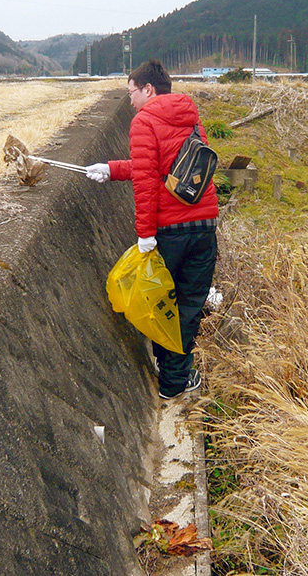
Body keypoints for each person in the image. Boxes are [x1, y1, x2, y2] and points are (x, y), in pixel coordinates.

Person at [86, 60, 219, 400]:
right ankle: (176, 371)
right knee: (189, 304)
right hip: (204, 226)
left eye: (131, 91)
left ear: (148, 89)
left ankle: (172, 382)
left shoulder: (144, 121)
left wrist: (145, 235)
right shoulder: (188, 116)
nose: (129, 100)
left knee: (163, 302)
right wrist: (112, 169)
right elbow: (166, 167)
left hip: (171, 231)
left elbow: (147, 182)